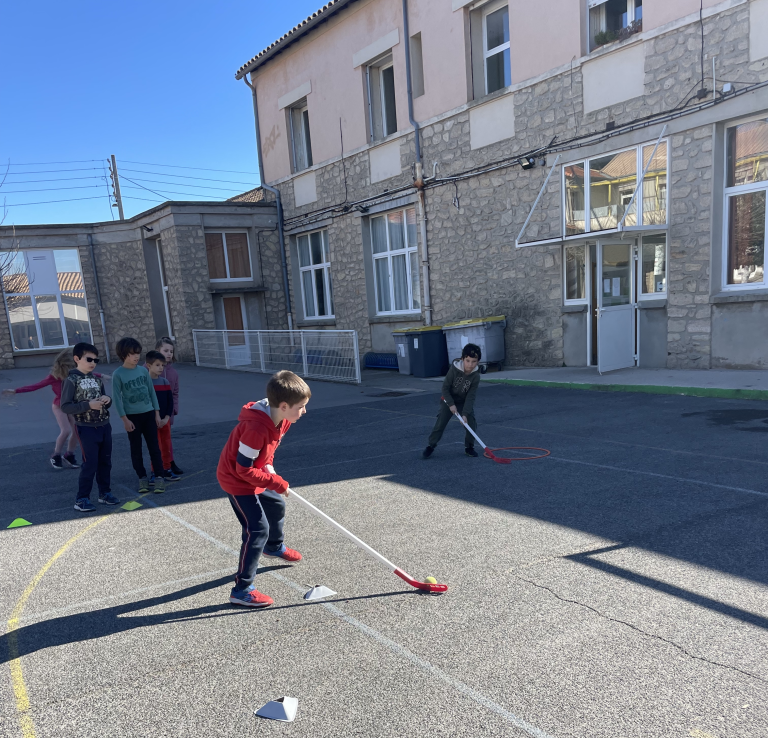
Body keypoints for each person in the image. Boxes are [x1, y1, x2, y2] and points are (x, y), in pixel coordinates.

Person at [217, 370, 311, 608]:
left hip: (253, 474)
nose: (304, 411)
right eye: (300, 406)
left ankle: (274, 547)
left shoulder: (284, 420)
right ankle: (242, 589)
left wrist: (269, 470)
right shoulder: (255, 429)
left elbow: (266, 454)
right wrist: (276, 482)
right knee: (257, 530)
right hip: (236, 481)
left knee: (276, 504)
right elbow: (243, 470)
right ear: (283, 405)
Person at [1, 348, 108, 470]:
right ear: (65, 365)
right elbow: (36, 386)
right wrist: (15, 390)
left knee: (77, 431)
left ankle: (69, 455)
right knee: (66, 430)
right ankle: (56, 455)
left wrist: (102, 376)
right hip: (59, 406)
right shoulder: (54, 376)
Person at [60, 342, 119, 512]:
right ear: (77, 359)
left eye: (96, 359)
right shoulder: (71, 380)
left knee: (105, 462)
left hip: (104, 426)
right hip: (85, 427)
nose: (93, 362)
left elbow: (101, 400)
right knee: (90, 464)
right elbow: (66, 406)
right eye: (89, 359)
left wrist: (107, 400)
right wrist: (88, 406)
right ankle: (82, 499)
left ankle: (105, 493)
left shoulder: (95, 379)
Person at [112, 337, 166, 494]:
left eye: (137, 353)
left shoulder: (143, 371)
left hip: (148, 414)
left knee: (154, 448)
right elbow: (116, 398)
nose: (136, 357)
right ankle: (142, 478)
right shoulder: (118, 374)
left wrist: (156, 414)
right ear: (123, 355)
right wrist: (125, 419)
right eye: (132, 354)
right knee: (136, 449)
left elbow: (151, 393)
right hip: (132, 418)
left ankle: (159, 478)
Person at [423, 343, 482, 459]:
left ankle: (469, 447)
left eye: (474, 361)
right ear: (463, 359)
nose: (470, 365)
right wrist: (451, 404)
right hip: (448, 400)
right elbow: (445, 388)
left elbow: (471, 396)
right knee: (440, 423)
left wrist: (465, 414)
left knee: (471, 424)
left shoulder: (475, 376)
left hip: (463, 402)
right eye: (468, 361)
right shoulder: (454, 370)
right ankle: (431, 445)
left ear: (478, 362)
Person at [144, 350, 178, 482]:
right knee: (155, 446)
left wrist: (166, 418)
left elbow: (170, 402)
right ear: (148, 365)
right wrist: (154, 418)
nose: (160, 368)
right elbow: (146, 402)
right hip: (151, 421)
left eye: (162, 365)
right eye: (157, 365)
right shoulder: (145, 383)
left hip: (165, 421)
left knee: (166, 445)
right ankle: (155, 471)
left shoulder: (164, 382)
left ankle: (167, 469)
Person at [155, 336, 183, 476]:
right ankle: (158, 467)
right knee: (156, 442)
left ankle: (170, 463)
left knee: (167, 441)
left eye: (171, 351)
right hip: (153, 413)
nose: (168, 354)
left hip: (167, 413)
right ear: (157, 351)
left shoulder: (173, 373)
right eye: (165, 350)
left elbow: (175, 393)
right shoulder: (147, 370)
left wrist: (173, 410)